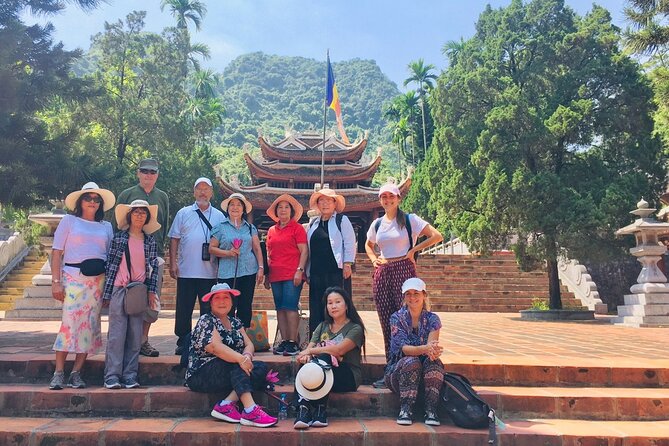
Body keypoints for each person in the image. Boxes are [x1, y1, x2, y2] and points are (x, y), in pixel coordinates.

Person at [365, 183, 443, 378]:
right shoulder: (377, 224)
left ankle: (412, 364)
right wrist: (374, 259)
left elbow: (436, 236)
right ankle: (391, 368)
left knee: (408, 318)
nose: (388, 200)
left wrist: (414, 250)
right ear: (380, 200)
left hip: (404, 270)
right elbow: (368, 244)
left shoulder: (410, 220)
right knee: (387, 321)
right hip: (383, 271)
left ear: (399, 198)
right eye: (384, 197)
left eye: (391, 196)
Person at [49, 182, 115, 390]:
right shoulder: (69, 221)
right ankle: (59, 372)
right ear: (80, 201)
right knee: (69, 324)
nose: (92, 202)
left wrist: (109, 288)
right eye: (88, 198)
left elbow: (111, 254)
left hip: (97, 280)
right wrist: (56, 281)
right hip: (72, 277)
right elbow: (57, 252)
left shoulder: (106, 226)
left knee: (89, 326)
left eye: (97, 199)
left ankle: (77, 372)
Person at [185, 283, 277, 428]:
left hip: (229, 370)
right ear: (210, 302)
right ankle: (250, 410)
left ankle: (226, 404)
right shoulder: (206, 320)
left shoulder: (235, 322)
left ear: (232, 301)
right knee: (237, 365)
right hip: (202, 374)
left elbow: (249, 344)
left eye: (226, 297)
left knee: (260, 367)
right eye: (217, 298)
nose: (222, 301)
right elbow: (215, 348)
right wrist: (240, 359)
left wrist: (246, 355)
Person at [102, 200, 160, 389]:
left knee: (135, 336)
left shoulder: (150, 241)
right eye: (136, 212)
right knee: (116, 335)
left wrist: (152, 291)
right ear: (129, 215)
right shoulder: (119, 239)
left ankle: (130, 375)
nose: (139, 215)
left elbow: (153, 269)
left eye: (143, 212)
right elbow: (110, 266)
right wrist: (107, 293)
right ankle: (112, 375)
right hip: (120, 289)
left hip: (139, 290)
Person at [115, 158, 169, 357]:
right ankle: (126, 341)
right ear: (138, 173)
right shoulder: (127, 194)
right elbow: (118, 226)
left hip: (154, 257)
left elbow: (163, 226)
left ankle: (143, 340)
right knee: (127, 298)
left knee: (151, 300)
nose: (148, 175)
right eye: (144, 171)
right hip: (128, 256)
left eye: (152, 172)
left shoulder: (162, 197)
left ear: (157, 175)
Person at [293, 286, 365, 429]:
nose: (333, 306)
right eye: (329, 302)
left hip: (346, 376)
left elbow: (338, 350)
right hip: (322, 374)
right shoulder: (322, 326)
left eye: (337, 302)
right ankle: (303, 410)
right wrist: (305, 356)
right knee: (307, 364)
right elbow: (308, 349)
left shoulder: (355, 328)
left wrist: (311, 352)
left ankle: (320, 410)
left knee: (325, 356)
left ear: (346, 305)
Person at [168, 177, 226, 355]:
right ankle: (183, 340)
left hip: (210, 272)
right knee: (184, 307)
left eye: (206, 189)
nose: (202, 192)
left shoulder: (218, 215)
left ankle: (206, 339)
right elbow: (174, 239)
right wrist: (173, 262)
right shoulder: (184, 213)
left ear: (211, 193)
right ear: (194, 192)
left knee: (208, 309)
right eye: (199, 189)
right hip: (186, 270)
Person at [384, 278, 444, 426]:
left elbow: (431, 347)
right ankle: (406, 408)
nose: (412, 297)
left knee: (434, 362)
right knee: (412, 361)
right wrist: (425, 349)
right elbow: (405, 349)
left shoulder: (433, 319)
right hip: (398, 374)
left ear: (424, 295)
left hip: (422, 376)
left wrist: (433, 352)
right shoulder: (396, 318)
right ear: (404, 297)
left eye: (416, 293)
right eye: (408, 294)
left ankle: (431, 409)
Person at [209, 193, 264, 328]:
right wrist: (228, 253)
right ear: (227, 208)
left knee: (245, 305)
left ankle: (242, 336)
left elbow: (257, 248)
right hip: (227, 272)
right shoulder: (220, 227)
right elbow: (211, 248)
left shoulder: (250, 228)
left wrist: (261, 268)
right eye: (232, 204)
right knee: (227, 305)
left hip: (248, 271)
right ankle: (227, 335)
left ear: (244, 209)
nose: (235, 207)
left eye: (239, 205)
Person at [305, 187, 356, 334]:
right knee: (317, 307)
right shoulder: (313, 224)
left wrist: (347, 263)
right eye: (321, 201)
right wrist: (307, 271)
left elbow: (349, 242)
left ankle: (339, 341)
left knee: (337, 307)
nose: (325, 204)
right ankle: (317, 344)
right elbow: (309, 249)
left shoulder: (342, 220)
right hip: (316, 273)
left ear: (335, 204)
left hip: (336, 271)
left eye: (329, 200)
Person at [265, 194, 308, 356]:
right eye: (280, 207)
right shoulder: (271, 230)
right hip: (275, 274)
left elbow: (304, 251)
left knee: (290, 307)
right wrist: (267, 275)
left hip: (292, 273)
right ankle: (283, 341)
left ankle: (293, 342)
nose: (283, 210)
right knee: (280, 309)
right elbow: (269, 253)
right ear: (276, 211)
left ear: (291, 211)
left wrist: (300, 270)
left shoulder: (297, 228)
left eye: (286, 207)